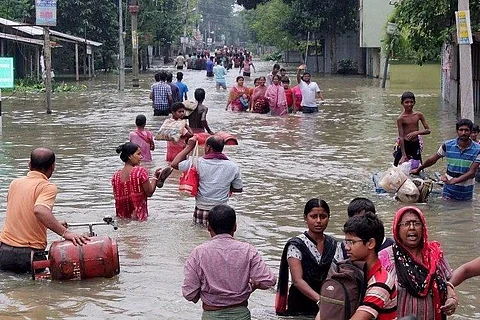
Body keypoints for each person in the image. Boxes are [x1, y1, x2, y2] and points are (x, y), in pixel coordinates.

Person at [0, 147, 89, 273]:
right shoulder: (47, 186)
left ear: (29, 164)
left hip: (4, 252)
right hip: (29, 255)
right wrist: (65, 233)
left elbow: (22, 215)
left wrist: (55, 224)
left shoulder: (14, 183)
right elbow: (40, 211)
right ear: (53, 167)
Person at [182, 204, 276, 319]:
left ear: (208, 227)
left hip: (211, 315)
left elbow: (189, 293)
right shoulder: (248, 250)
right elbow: (269, 281)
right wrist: (252, 287)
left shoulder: (198, 253)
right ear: (235, 227)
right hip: (241, 314)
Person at [378, 206, 458, 319]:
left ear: (423, 227)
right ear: (397, 228)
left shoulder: (435, 255)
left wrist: (451, 296)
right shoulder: (385, 258)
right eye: (406, 224)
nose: (412, 227)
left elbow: (448, 280)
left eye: (416, 223)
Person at [275, 198, 345, 316]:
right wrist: (319, 299)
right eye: (314, 216)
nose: (318, 221)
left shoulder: (334, 245)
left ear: (329, 218)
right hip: (299, 305)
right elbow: (297, 280)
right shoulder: (296, 245)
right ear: (305, 218)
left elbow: (339, 275)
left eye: (323, 217)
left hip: (326, 303)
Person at [171, 135, 243, 225]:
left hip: (202, 209)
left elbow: (174, 164)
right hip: (222, 212)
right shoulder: (233, 166)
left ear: (208, 148)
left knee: (199, 237)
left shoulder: (197, 163)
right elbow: (238, 189)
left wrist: (189, 147)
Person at [341, 212, 397, 320]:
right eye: (346, 242)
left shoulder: (382, 281)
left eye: (352, 242)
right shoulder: (348, 271)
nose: (347, 247)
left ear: (371, 243)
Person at [411, 118, 480, 201]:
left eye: (466, 130)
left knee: (465, 211)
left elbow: (472, 173)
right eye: (461, 130)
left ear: (470, 131)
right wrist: (419, 169)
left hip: (466, 193)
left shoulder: (478, 149)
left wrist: (454, 181)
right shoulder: (447, 145)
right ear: (457, 131)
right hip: (448, 192)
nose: (463, 133)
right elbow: (433, 159)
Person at [111, 142, 167, 221]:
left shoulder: (115, 176)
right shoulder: (140, 171)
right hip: (139, 219)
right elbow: (149, 192)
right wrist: (155, 177)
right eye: (138, 154)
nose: (141, 157)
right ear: (130, 156)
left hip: (122, 220)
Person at [393, 92, 431, 167]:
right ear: (402, 103)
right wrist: (404, 155)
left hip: (415, 144)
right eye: (406, 102)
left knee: (418, 166)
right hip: (405, 144)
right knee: (396, 166)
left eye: (411, 102)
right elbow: (401, 136)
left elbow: (428, 130)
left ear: (414, 102)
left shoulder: (418, 115)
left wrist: (416, 133)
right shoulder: (401, 118)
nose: (409, 104)